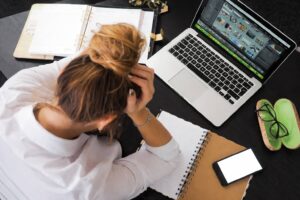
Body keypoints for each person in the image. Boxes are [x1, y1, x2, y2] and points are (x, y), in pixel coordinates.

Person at [0, 23, 180, 200]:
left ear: (62, 74)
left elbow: (85, 60)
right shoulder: (87, 189)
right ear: (106, 119)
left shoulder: (12, 93)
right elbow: (167, 157)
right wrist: (139, 112)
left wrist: (113, 57)